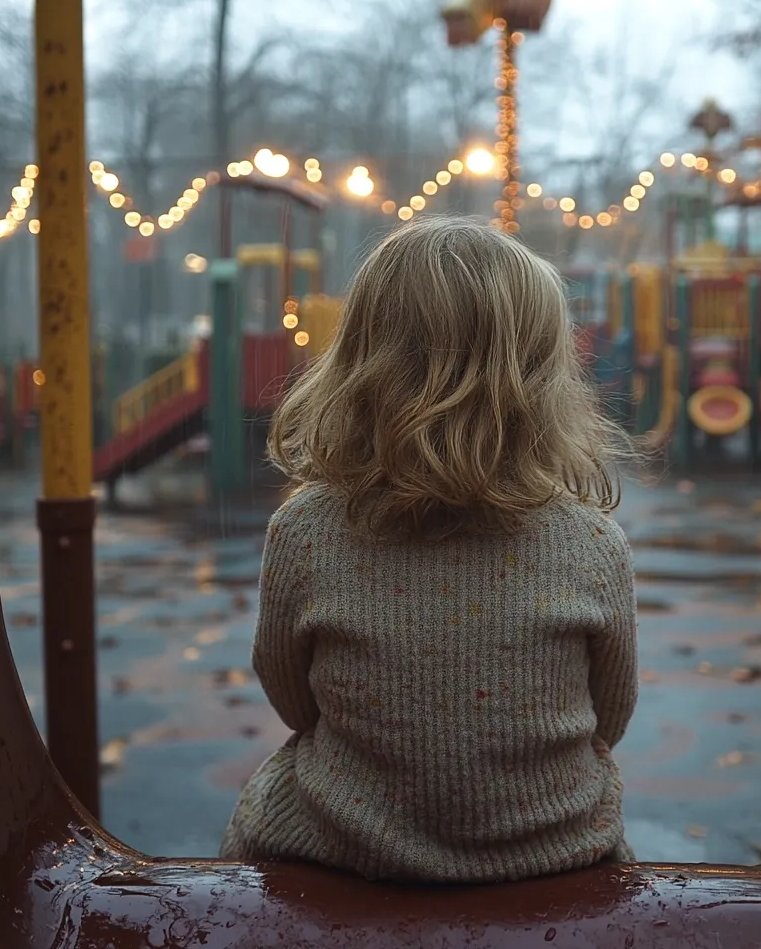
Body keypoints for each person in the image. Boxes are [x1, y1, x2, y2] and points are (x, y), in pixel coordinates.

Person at [220, 215, 640, 883]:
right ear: (541, 375)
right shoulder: (593, 540)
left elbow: (294, 702)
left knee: (266, 805)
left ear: (360, 359)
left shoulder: (306, 529)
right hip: (553, 850)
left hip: (346, 847)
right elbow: (608, 717)